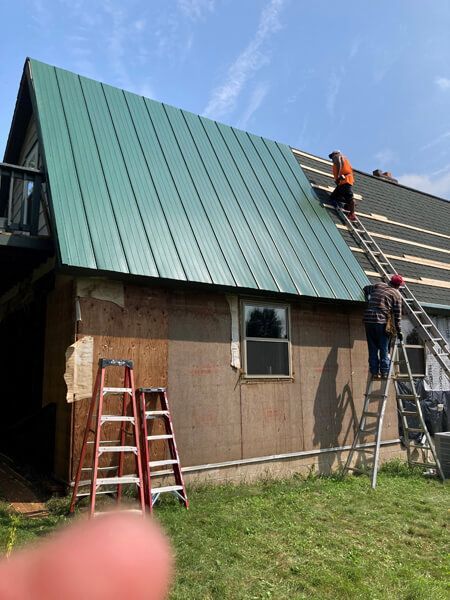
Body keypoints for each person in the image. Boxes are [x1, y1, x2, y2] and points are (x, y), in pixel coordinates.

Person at [363, 274, 404, 379]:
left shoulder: (379, 285)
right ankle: (385, 372)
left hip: (368, 320)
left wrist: (370, 301)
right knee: (383, 348)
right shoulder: (396, 294)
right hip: (380, 321)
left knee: (372, 349)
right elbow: (397, 316)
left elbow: (366, 288)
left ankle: (374, 373)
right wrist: (399, 331)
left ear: (390, 281)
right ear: (398, 285)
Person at [328, 150, 356, 221]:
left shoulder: (338, 156)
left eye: (332, 156)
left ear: (335, 153)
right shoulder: (344, 158)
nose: (332, 159)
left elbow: (339, 164)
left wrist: (338, 176)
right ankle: (349, 204)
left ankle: (352, 214)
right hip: (343, 182)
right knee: (333, 197)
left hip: (344, 181)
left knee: (350, 198)